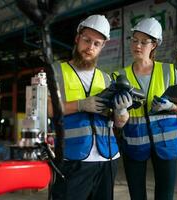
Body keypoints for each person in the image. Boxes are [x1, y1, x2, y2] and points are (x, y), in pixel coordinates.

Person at [48, 15, 132, 200]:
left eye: (97, 44)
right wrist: (80, 105)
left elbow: (119, 124)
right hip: (73, 159)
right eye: (87, 40)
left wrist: (122, 111)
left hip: (108, 159)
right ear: (77, 38)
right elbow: (45, 108)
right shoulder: (56, 72)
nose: (90, 47)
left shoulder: (107, 79)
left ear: (102, 47)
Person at [113, 17, 177, 200]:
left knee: (165, 195)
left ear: (154, 45)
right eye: (134, 40)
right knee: (137, 195)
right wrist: (120, 112)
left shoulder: (168, 71)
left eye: (144, 42)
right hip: (134, 143)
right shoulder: (119, 75)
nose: (137, 45)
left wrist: (171, 106)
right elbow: (117, 122)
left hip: (166, 143)